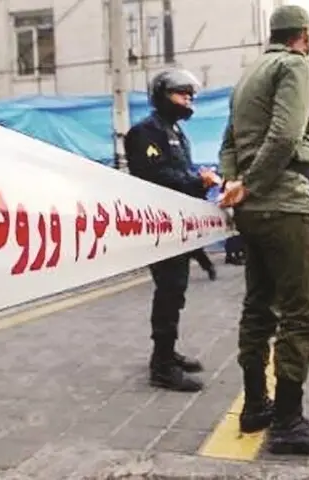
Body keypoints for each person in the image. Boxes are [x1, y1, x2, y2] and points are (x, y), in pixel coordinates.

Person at [217, 5, 309, 456]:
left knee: (258, 308)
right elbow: (286, 137)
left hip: (251, 211)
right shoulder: (295, 66)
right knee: (303, 313)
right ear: (304, 35)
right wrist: (252, 183)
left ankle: (256, 405)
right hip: (285, 202)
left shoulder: (247, 78)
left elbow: (228, 143)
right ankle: (289, 422)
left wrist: (235, 184)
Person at [124, 68, 219, 392]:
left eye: (190, 95)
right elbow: (154, 176)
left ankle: (166, 351)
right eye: (181, 94)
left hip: (178, 224)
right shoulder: (145, 132)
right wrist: (197, 180)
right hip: (158, 224)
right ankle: (162, 366)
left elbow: (180, 171)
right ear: (162, 96)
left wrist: (199, 178)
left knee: (175, 291)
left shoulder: (175, 131)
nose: (188, 100)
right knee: (168, 290)